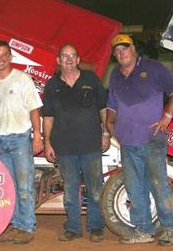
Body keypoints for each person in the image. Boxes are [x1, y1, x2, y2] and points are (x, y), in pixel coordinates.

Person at [106, 34, 173, 246]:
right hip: (127, 142)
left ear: (134, 49)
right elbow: (112, 103)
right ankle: (144, 230)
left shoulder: (152, 67)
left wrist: (167, 116)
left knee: (159, 184)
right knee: (134, 187)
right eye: (117, 50)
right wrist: (109, 124)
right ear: (114, 55)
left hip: (151, 140)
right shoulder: (115, 74)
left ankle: (169, 228)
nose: (121, 52)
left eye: (125, 48)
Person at [43, 44, 109, 242]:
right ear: (58, 60)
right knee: (70, 190)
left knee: (95, 188)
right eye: (65, 56)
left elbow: (103, 108)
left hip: (90, 144)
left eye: (73, 56)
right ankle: (73, 227)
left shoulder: (91, 79)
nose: (69, 59)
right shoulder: (51, 84)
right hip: (64, 147)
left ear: (78, 60)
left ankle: (96, 226)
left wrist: (105, 133)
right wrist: (47, 142)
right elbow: (48, 116)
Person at [0, 40, 43, 244]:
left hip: (20, 139)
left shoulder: (22, 79)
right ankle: (15, 225)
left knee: (24, 185)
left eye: (4, 55)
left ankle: (27, 227)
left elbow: (34, 108)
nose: (0, 59)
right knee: (8, 186)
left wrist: (37, 135)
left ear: (10, 57)